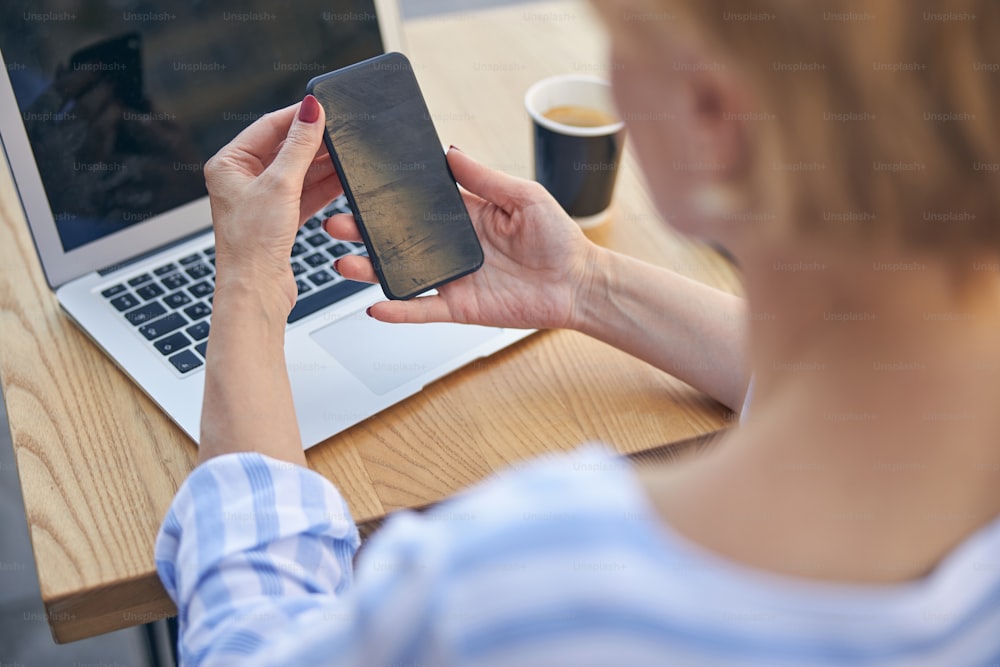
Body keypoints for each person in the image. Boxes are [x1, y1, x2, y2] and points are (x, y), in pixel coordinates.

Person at [155, 1, 1000, 664]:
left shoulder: (514, 586)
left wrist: (250, 284)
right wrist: (584, 284)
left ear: (713, 118)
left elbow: (253, 641)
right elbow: (857, 386)